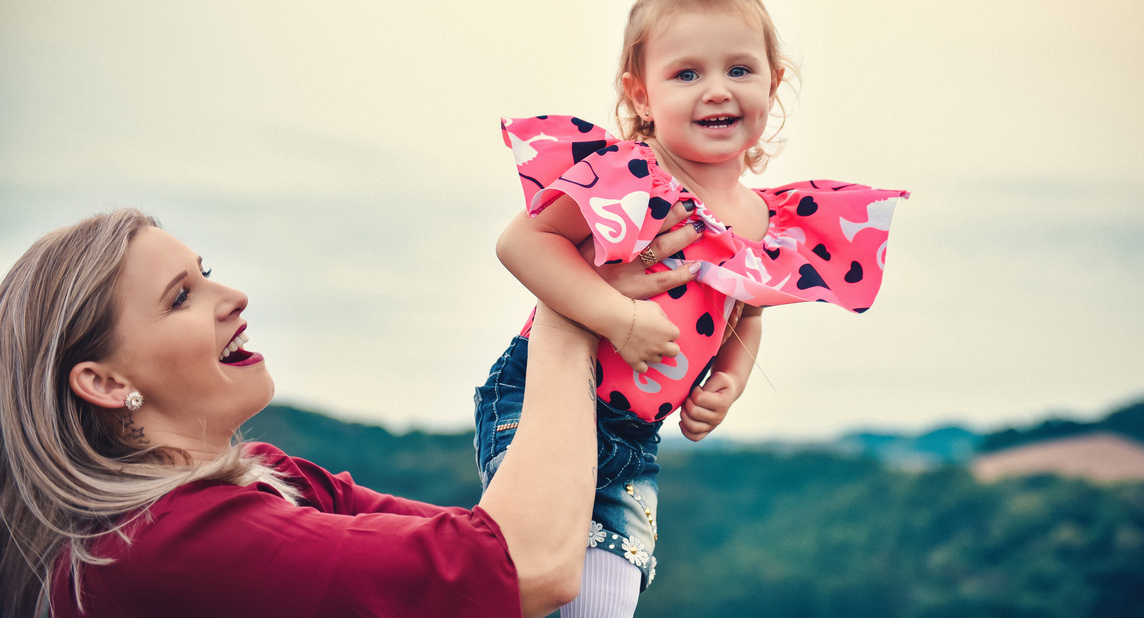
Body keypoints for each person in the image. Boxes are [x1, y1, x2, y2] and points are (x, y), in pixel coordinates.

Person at [476, 0, 909, 617]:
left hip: (635, 435)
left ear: (774, 82)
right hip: (541, 396)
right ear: (641, 95)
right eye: (686, 74)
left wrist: (730, 381)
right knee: (536, 571)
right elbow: (523, 242)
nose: (716, 89)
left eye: (740, 68)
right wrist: (618, 318)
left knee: (605, 599)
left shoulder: (767, 220)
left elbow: (747, 309)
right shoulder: (632, 176)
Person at [0, 205, 703, 618]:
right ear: (103, 380)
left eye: (205, 273)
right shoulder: (164, 546)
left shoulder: (269, 479)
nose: (233, 297)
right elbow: (522, 565)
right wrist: (570, 309)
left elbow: (494, 547)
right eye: (181, 296)